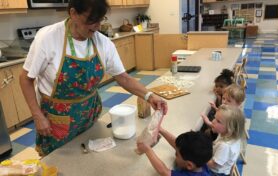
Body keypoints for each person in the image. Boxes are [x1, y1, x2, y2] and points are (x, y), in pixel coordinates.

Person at [19, 0, 167, 156]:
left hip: (89, 114)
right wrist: (37, 116)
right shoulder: (48, 38)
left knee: (88, 160)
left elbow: (123, 78)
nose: (97, 26)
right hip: (57, 120)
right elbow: (25, 79)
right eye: (91, 20)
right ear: (73, 13)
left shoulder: (103, 43)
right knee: (58, 161)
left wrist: (149, 96)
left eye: (100, 19)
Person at [136, 128, 212, 176]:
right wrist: (161, 130)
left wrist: (147, 150)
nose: (175, 154)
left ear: (189, 165)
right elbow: (178, 145)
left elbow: (164, 172)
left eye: (177, 154)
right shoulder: (201, 161)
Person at [202, 105, 245, 176]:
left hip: (215, 173)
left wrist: (199, 162)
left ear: (230, 129)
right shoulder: (231, 136)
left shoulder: (225, 146)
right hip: (223, 168)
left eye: (218, 121)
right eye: (215, 118)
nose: (213, 121)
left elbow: (214, 164)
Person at [200, 69, 234, 134]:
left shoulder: (229, 99)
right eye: (216, 86)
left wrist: (218, 99)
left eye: (221, 86)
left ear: (229, 87)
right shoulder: (225, 94)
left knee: (208, 115)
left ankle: (206, 130)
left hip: (223, 126)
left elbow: (222, 110)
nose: (217, 88)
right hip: (220, 118)